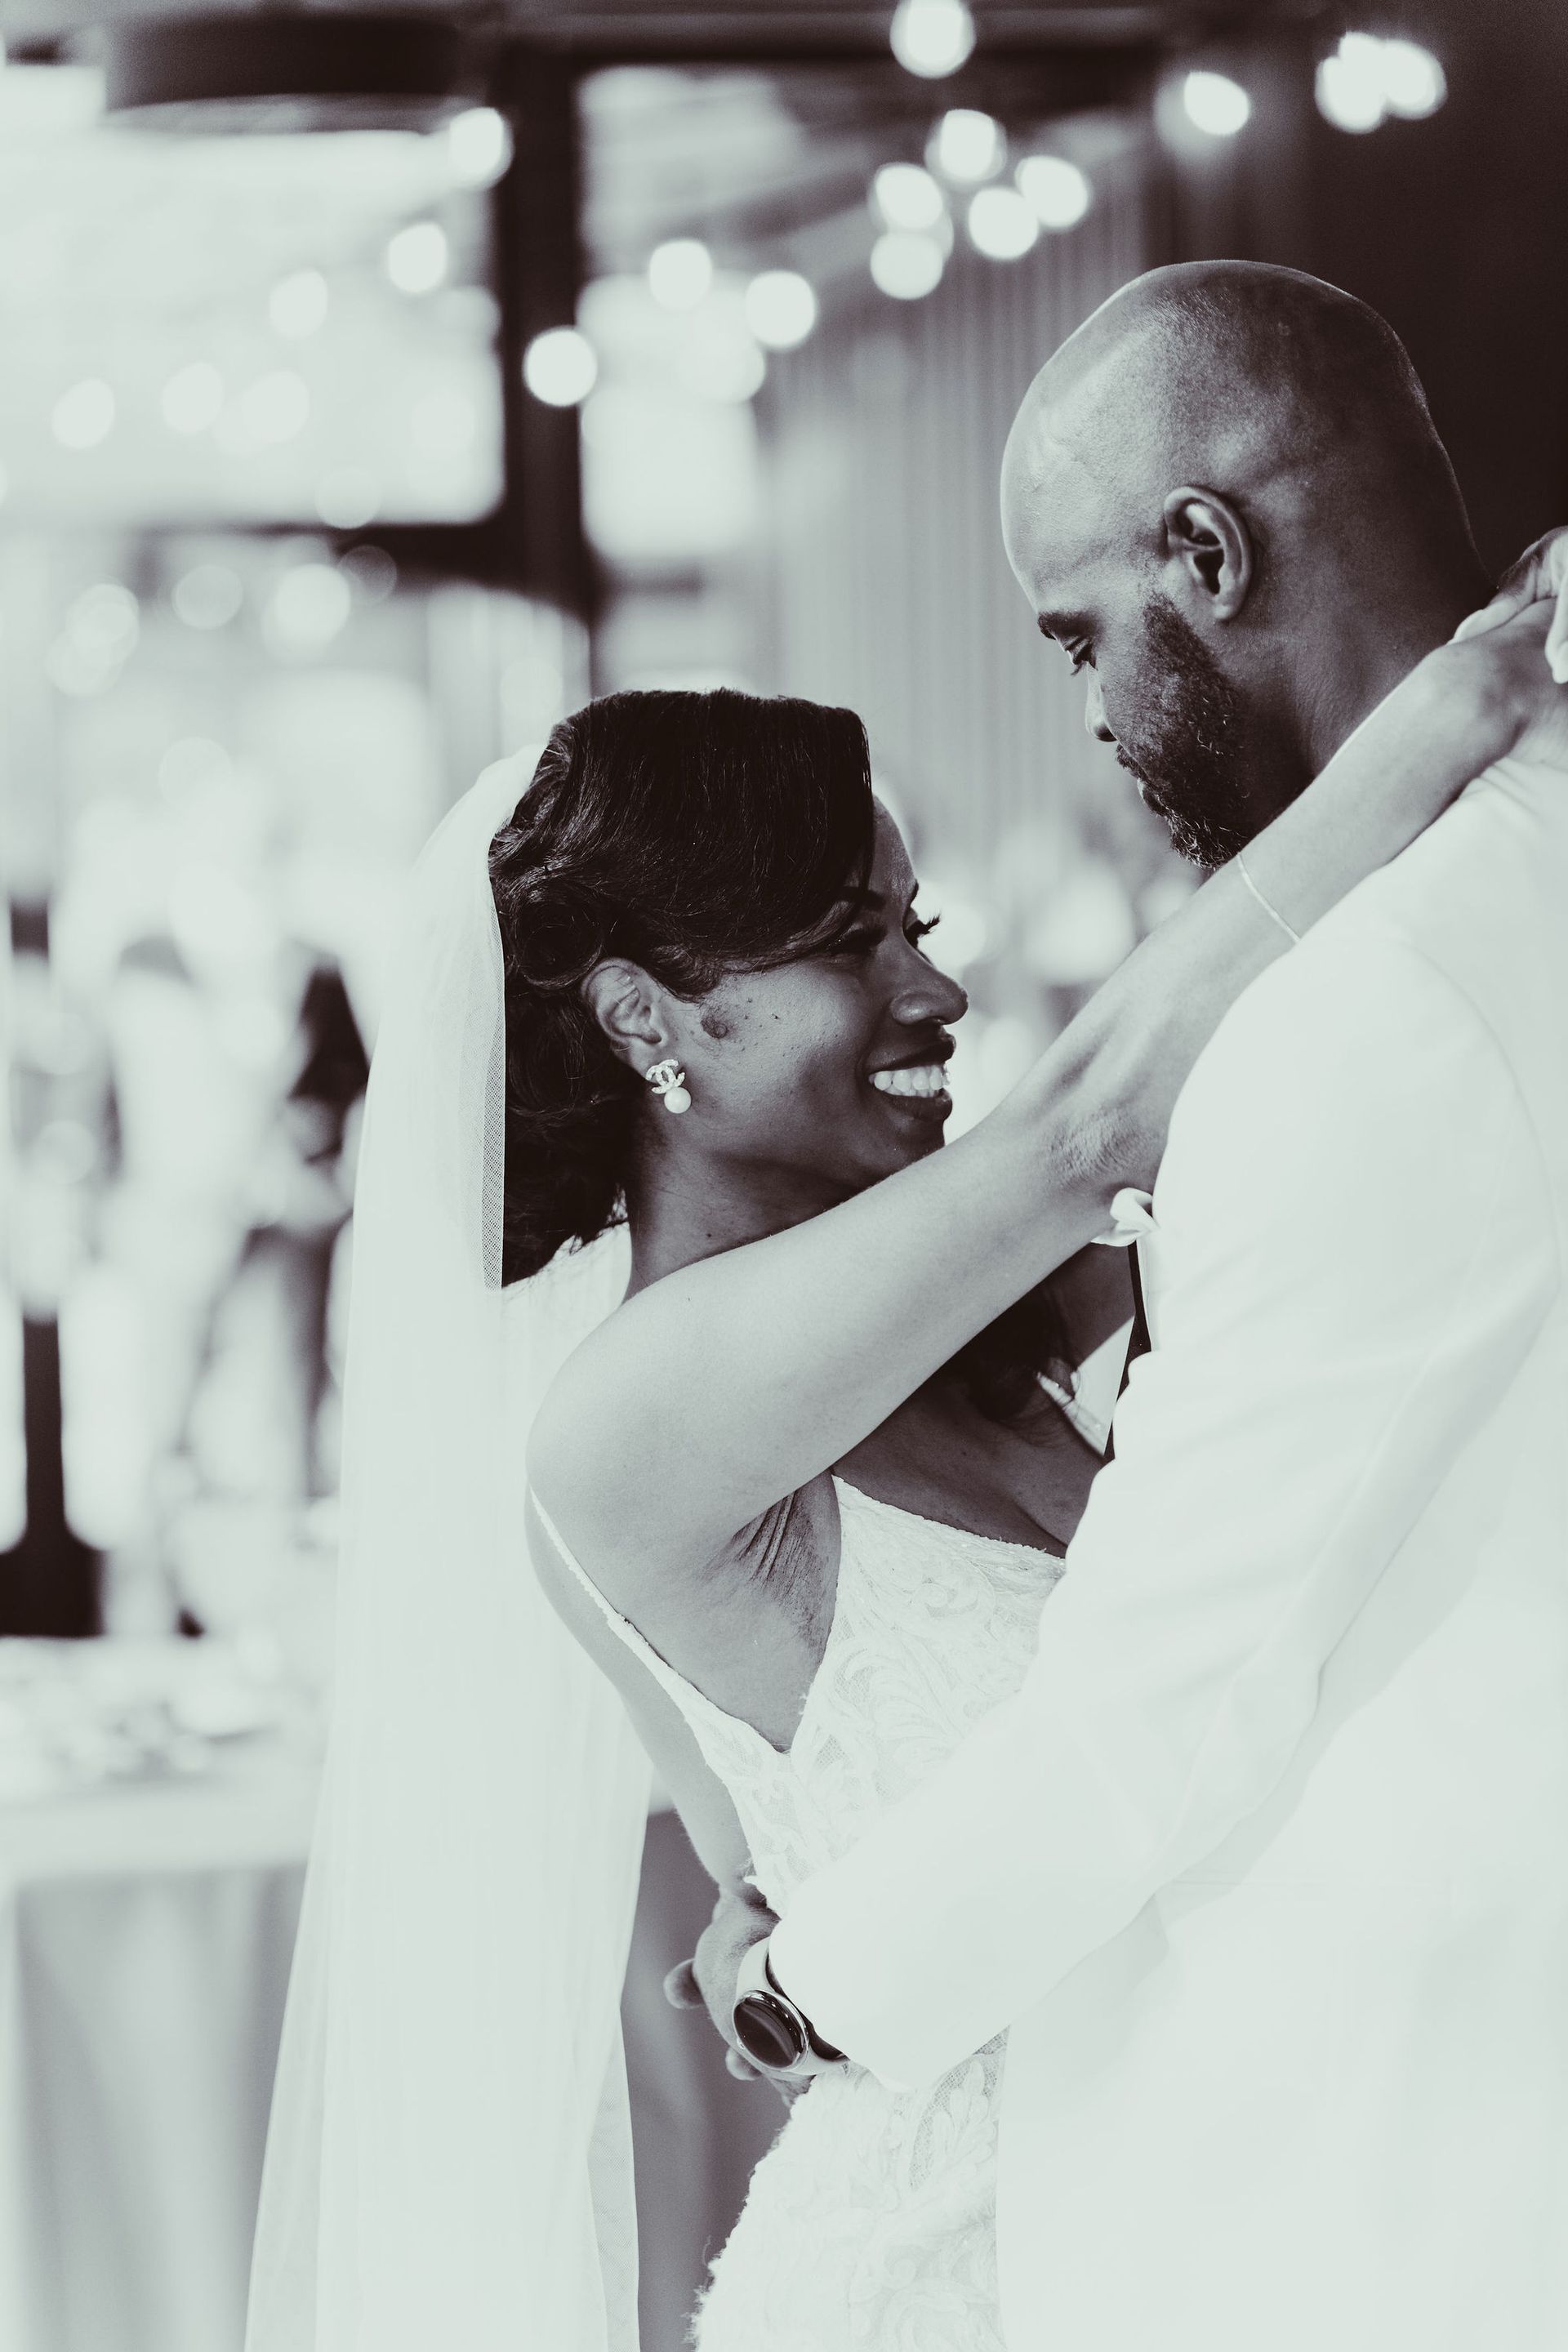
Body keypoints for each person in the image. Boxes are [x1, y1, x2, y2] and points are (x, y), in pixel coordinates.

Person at [245, 286, 1566, 2352]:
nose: (932, 994)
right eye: (853, 942)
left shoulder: (992, 1308)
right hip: (943, 2261)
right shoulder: (627, 1417)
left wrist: (795, 1940)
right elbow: (1094, 1122)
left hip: (1213, 2216)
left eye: (918, 924)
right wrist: (1442, 718)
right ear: (652, 1016)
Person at [677, 265, 1568, 2352]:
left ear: (1208, 551)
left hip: (1386, 2142)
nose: (1084, 711)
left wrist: (811, 1980)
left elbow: (1160, 1706)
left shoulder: (1365, 1006)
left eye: (1081, 633)